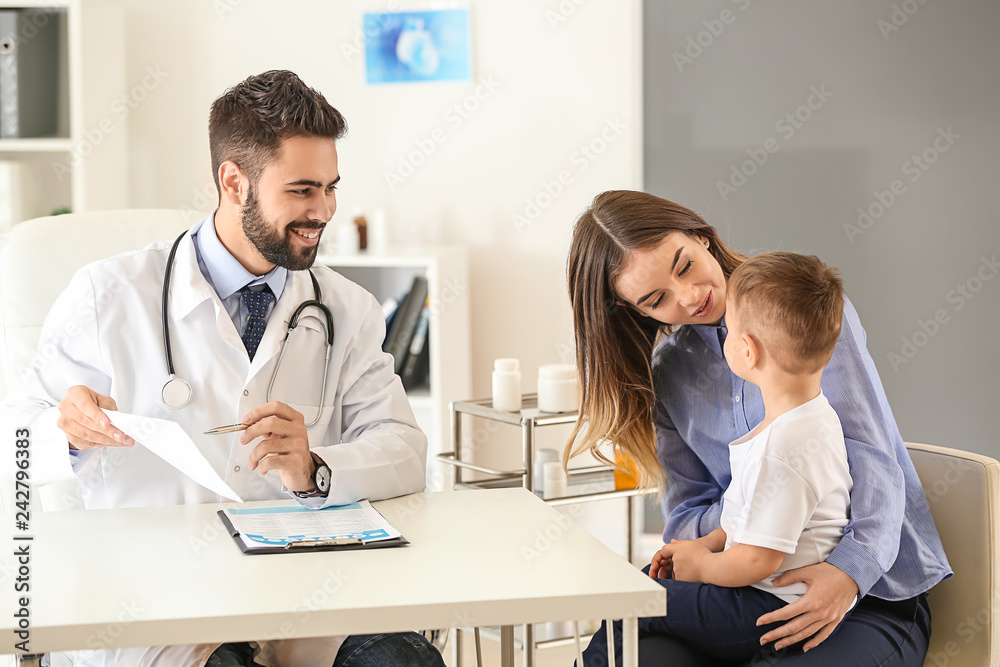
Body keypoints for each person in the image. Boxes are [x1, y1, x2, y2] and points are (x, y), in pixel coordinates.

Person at [1, 70, 444, 667]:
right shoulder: (109, 295)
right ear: (234, 182)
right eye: (303, 190)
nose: (324, 211)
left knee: (400, 661)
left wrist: (315, 465)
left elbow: (403, 450)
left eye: (331, 188)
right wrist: (70, 432)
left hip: (308, 585)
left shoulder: (347, 308)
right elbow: (14, 444)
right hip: (160, 599)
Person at [565, 191, 951, 666]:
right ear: (636, 312)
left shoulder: (798, 313)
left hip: (868, 596)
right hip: (741, 593)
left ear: (701, 237)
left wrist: (848, 573)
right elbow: (686, 515)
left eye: (684, 266)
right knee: (627, 652)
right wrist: (740, 535)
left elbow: (873, 459)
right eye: (655, 299)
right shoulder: (670, 369)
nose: (688, 296)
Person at [581, 251, 854, 665]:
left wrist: (704, 566)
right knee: (640, 591)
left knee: (631, 606)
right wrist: (706, 543)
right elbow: (744, 514)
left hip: (769, 607)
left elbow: (759, 559)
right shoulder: (805, 420)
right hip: (762, 591)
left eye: (729, 332)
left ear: (746, 351)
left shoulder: (783, 449)